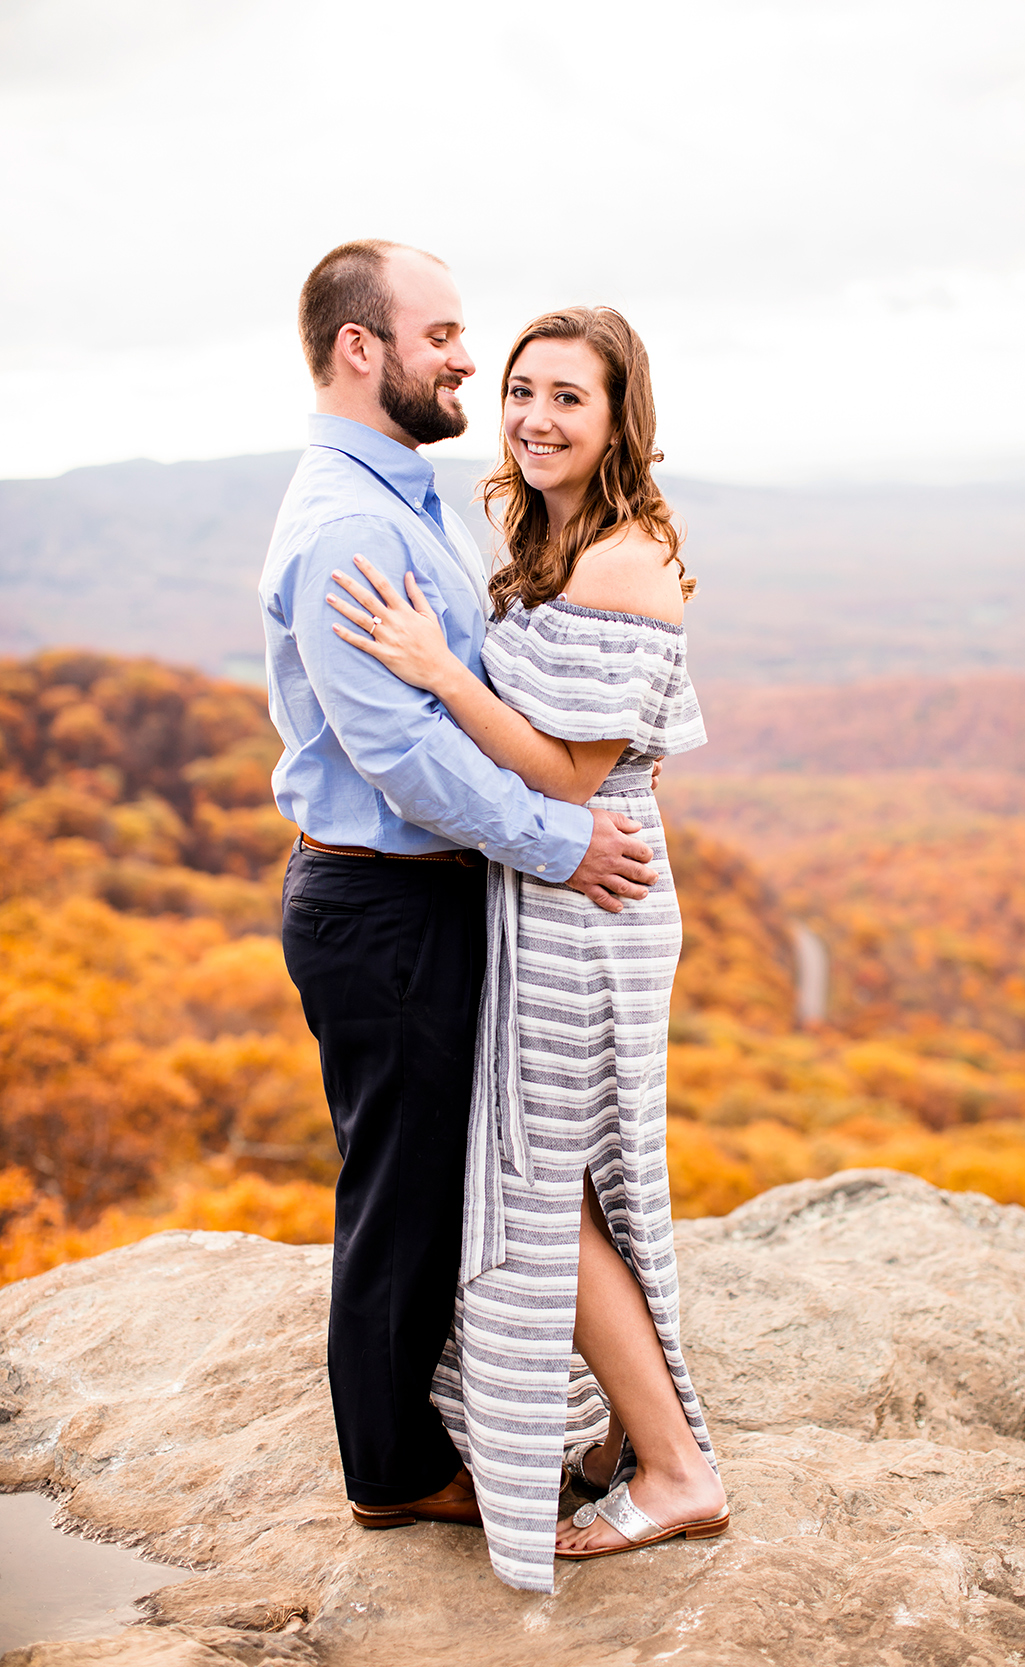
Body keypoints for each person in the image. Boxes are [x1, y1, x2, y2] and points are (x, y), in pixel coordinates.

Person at [326, 305, 729, 1592]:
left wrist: (440, 672)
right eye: (519, 392)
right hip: (544, 889)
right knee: (569, 1173)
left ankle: (675, 1472)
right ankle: (633, 1431)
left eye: (569, 398)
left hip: (590, 900)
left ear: (620, 419)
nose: (535, 419)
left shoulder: (623, 556)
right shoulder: (544, 531)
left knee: (547, 1184)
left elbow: (570, 768)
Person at [259, 243, 661, 1533]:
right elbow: (402, 754)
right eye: (441, 333)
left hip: (426, 898)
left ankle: (440, 1431)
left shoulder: (403, 495)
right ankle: (393, 1467)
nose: (466, 360)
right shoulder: (353, 527)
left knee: (437, 1177)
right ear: (362, 348)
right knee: (402, 1191)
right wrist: (562, 838)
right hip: (384, 901)